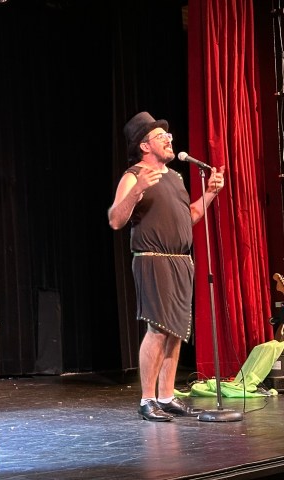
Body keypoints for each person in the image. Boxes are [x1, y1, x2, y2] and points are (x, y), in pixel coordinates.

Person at [107, 112, 226, 422]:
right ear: (145, 146)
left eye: (168, 136)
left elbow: (190, 216)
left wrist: (211, 193)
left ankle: (166, 396)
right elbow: (116, 220)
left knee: (175, 332)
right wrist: (137, 189)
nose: (169, 140)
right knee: (159, 329)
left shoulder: (175, 177)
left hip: (181, 261)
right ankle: (147, 399)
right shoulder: (134, 175)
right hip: (153, 260)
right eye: (161, 137)